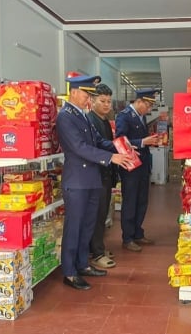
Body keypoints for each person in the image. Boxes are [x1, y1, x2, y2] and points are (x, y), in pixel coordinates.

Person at [55, 74, 135, 290]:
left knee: (88, 225)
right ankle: (70, 273)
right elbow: (79, 147)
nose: (88, 99)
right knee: (75, 227)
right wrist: (112, 157)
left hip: (91, 179)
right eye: (86, 94)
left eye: (90, 95)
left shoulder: (82, 115)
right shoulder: (65, 116)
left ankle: (83, 264)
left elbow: (97, 141)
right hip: (77, 181)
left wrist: (121, 147)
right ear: (73, 92)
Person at [115, 88, 160, 252]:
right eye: (147, 105)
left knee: (142, 200)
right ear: (139, 101)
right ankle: (127, 237)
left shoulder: (142, 116)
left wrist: (149, 142)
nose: (148, 109)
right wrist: (142, 142)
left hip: (143, 165)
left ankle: (137, 233)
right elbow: (120, 140)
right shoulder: (124, 116)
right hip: (131, 167)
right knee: (130, 201)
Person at [87, 83, 117, 269]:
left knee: (102, 213)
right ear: (92, 101)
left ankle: (98, 247)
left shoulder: (104, 120)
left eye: (109, 101)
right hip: (95, 173)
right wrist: (119, 147)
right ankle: (96, 254)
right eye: (102, 101)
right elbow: (100, 146)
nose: (106, 105)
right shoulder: (90, 120)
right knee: (97, 215)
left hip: (106, 172)